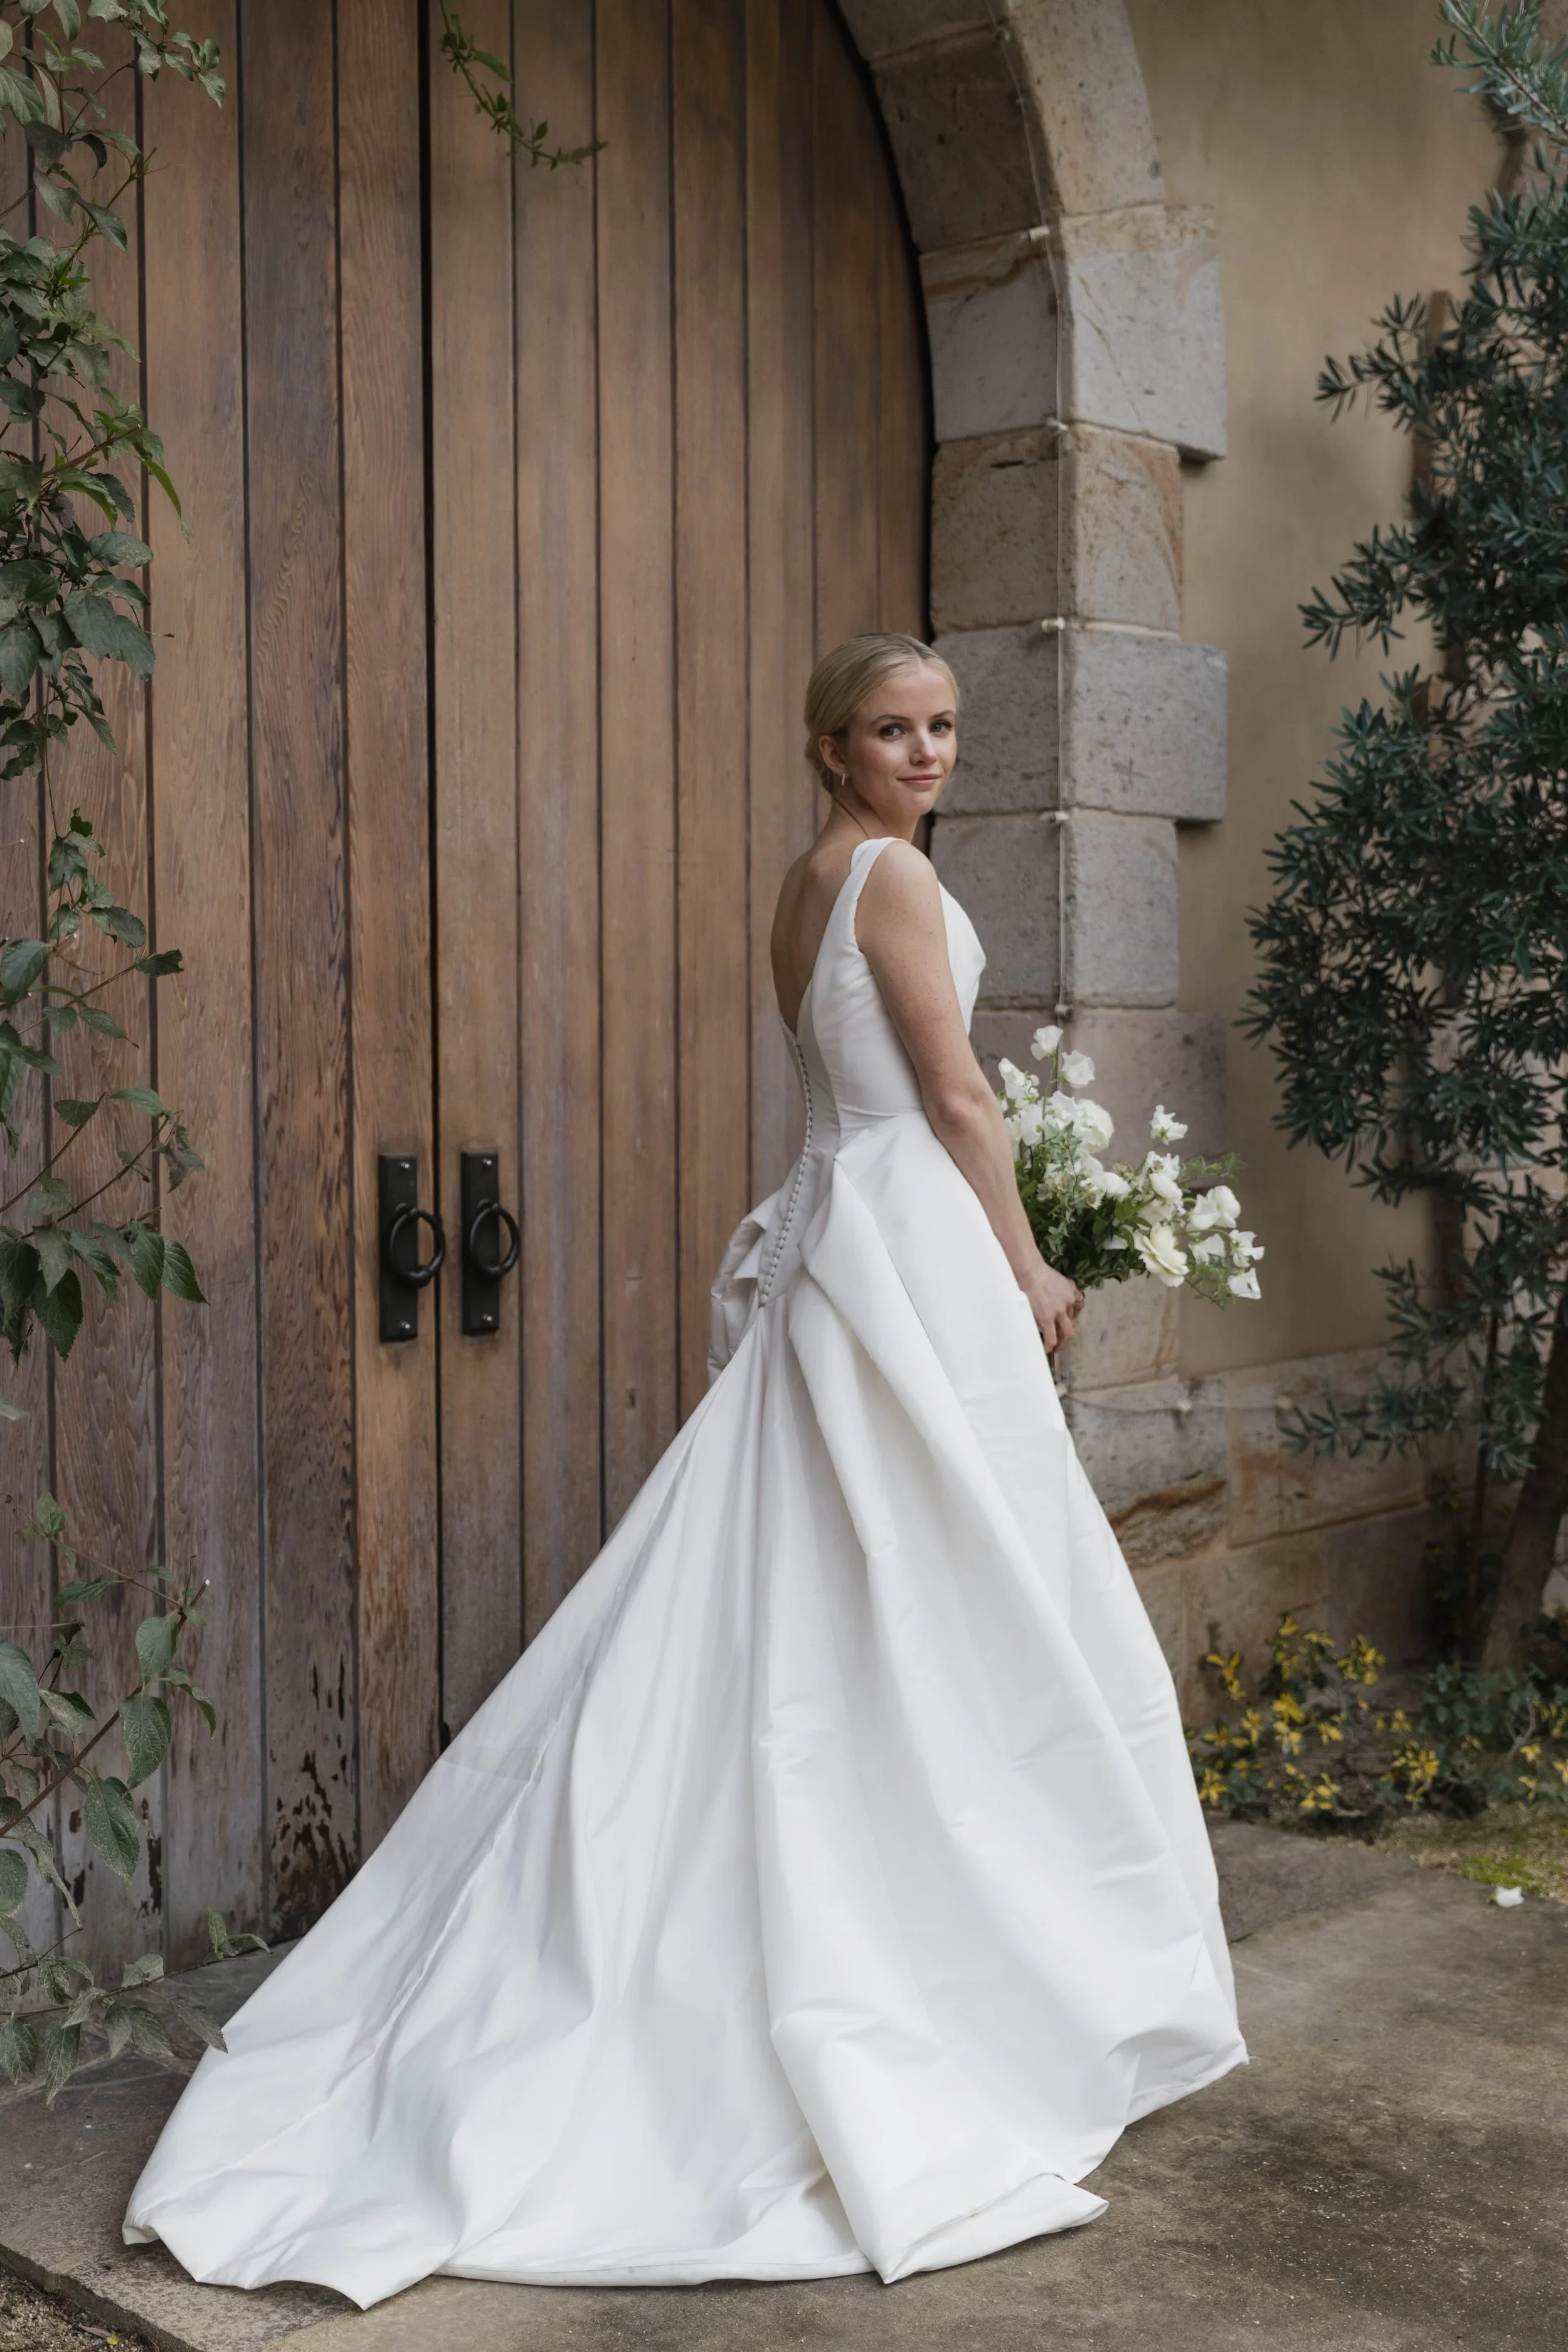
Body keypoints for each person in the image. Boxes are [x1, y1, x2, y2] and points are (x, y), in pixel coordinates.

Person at [123, 633, 1244, 2307]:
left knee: (849, 1589)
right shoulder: (883, 883)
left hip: (836, 1243)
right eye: (892, 728)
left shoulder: (807, 883)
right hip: (904, 1253)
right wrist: (1022, 1264)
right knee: (939, 1595)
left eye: (942, 725)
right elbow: (948, 1095)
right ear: (828, 745)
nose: (927, 750)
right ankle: (930, 1961)